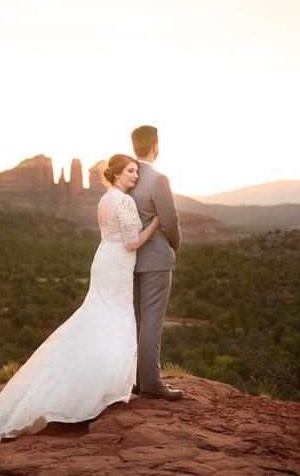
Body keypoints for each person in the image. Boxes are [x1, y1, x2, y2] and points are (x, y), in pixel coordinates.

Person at [0, 154, 161, 443]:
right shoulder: (123, 201)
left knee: (98, 318)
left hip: (105, 261)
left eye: (136, 171)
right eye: (131, 171)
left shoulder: (104, 199)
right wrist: (157, 223)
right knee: (115, 318)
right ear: (116, 174)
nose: (136, 176)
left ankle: (98, 381)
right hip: (118, 263)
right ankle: (106, 387)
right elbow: (132, 242)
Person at [128, 125, 184, 401]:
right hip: (156, 259)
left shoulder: (127, 178)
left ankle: (138, 381)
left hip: (130, 259)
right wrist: (174, 244)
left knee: (137, 320)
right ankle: (152, 384)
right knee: (152, 321)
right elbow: (170, 220)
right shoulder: (158, 179)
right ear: (155, 146)